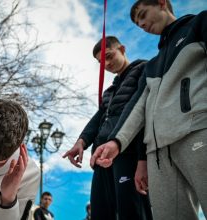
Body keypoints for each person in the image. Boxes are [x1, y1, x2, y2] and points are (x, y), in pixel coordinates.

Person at [91, 1, 207, 219]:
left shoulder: (199, 23)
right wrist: (116, 142)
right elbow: (138, 106)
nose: (142, 24)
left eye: (143, 15)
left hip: (197, 132)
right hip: (158, 155)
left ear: (162, 3)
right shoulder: (152, 66)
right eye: (137, 23)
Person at [63, 36, 152, 220]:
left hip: (128, 154)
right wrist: (82, 141)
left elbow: (144, 114)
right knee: (100, 213)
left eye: (109, 56)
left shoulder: (144, 69)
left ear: (122, 48)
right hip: (101, 157)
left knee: (131, 213)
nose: (107, 64)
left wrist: (143, 158)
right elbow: (98, 118)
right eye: (101, 62)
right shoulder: (109, 91)